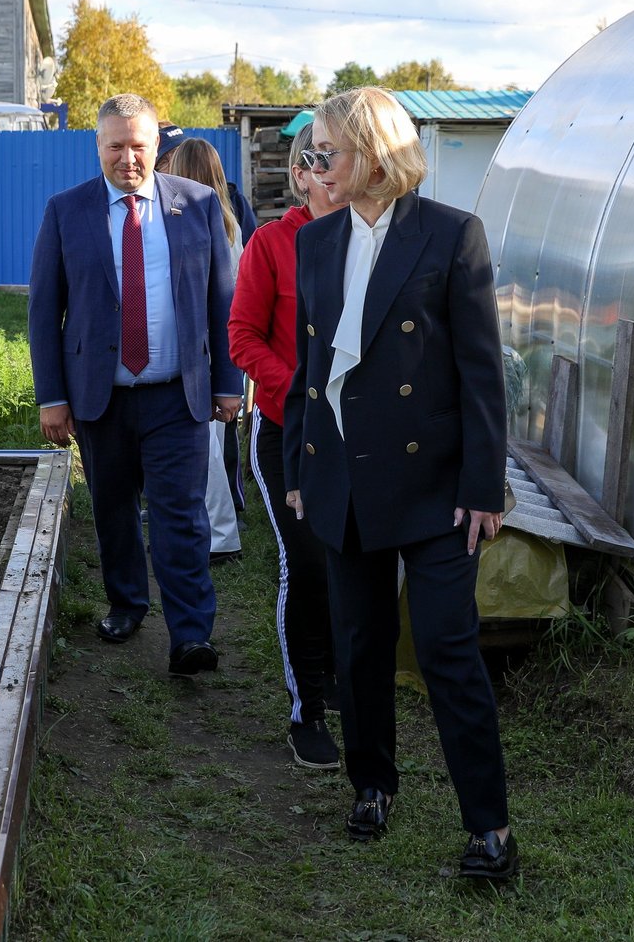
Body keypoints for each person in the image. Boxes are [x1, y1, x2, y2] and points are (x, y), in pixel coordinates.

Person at [281, 86, 517, 879]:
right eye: (312, 154)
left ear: (376, 155)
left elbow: (484, 376)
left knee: (449, 651)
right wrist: (298, 472)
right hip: (342, 476)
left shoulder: (453, 236)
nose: (314, 168)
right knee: (360, 647)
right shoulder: (315, 244)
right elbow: (311, 376)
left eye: (327, 153)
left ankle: (489, 827)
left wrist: (485, 487)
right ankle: (372, 785)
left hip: (436, 487)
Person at [29, 94, 243, 676]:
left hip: (179, 395)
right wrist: (52, 396)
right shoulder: (66, 210)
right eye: (116, 146)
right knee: (113, 509)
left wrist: (229, 382)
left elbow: (224, 301)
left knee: (182, 515)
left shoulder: (196, 205)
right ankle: (126, 604)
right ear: (98, 146)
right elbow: (45, 310)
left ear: (156, 146)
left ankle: (191, 634)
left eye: (139, 146)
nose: (129, 157)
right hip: (101, 397)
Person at [227, 122, 340, 771]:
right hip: (287, 432)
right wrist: (298, 389)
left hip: (358, 438)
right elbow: (242, 336)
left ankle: (338, 677)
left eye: (338, 162)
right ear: (298, 176)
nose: (327, 175)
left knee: (349, 565)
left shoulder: (371, 242)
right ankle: (307, 712)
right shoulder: (272, 244)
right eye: (315, 165)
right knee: (306, 562)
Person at [157, 135, 243, 564]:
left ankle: (220, 537)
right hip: (221, 344)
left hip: (206, 348)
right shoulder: (228, 219)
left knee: (206, 449)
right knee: (211, 446)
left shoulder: (201, 221)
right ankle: (210, 529)